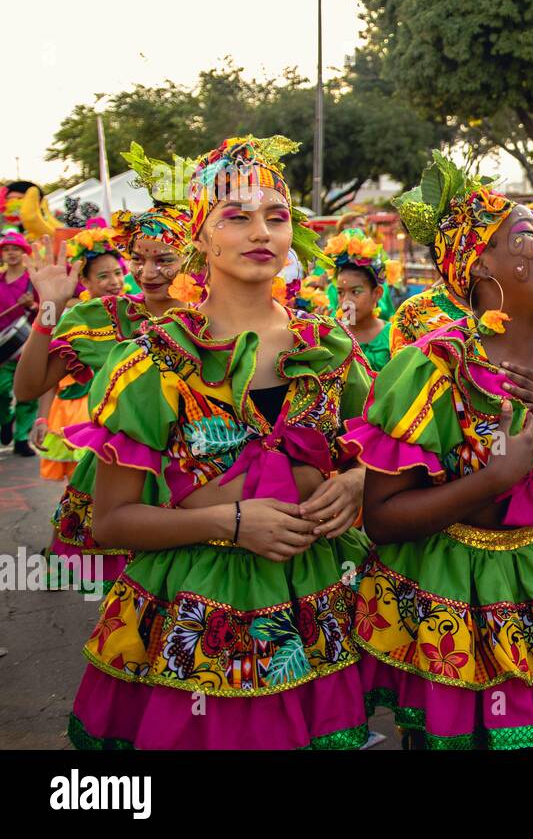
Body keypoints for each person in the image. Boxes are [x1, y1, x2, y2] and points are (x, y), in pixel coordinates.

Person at [63, 135, 373, 749]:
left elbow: (373, 451)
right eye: (236, 217)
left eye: (276, 217)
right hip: (196, 607)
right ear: (199, 237)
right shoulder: (154, 360)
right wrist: (232, 523)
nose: (261, 232)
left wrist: (356, 483)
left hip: (317, 595)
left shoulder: (331, 347)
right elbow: (113, 522)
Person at [344, 153, 533, 750]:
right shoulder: (433, 367)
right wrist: (492, 481)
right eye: (528, 236)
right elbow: (384, 519)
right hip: (452, 592)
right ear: (478, 268)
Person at [15, 144, 195, 591]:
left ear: (195, 259)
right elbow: (28, 387)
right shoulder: (106, 318)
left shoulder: (217, 321)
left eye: (165, 259)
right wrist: (49, 310)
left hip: (200, 478)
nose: (148, 272)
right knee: (131, 603)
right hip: (121, 484)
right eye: (140, 258)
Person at [30, 227, 125, 482]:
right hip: (78, 410)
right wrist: (42, 417)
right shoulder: (72, 318)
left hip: (124, 417)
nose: (114, 282)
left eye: (118, 273)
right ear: (84, 280)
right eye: (104, 276)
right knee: (83, 485)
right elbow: (47, 376)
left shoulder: (134, 312)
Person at [324, 228, 398, 373]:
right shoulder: (332, 334)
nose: (346, 301)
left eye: (355, 292)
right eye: (340, 292)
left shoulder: (394, 336)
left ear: (377, 293)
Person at [0, 229, 38, 456]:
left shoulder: (33, 281)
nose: (11, 253)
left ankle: (22, 437)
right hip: (3, 350)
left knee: (28, 393)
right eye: (7, 249)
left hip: (29, 345)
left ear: (24, 253)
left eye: (16, 249)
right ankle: (6, 418)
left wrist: (32, 306)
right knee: (2, 391)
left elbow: (50, 313)